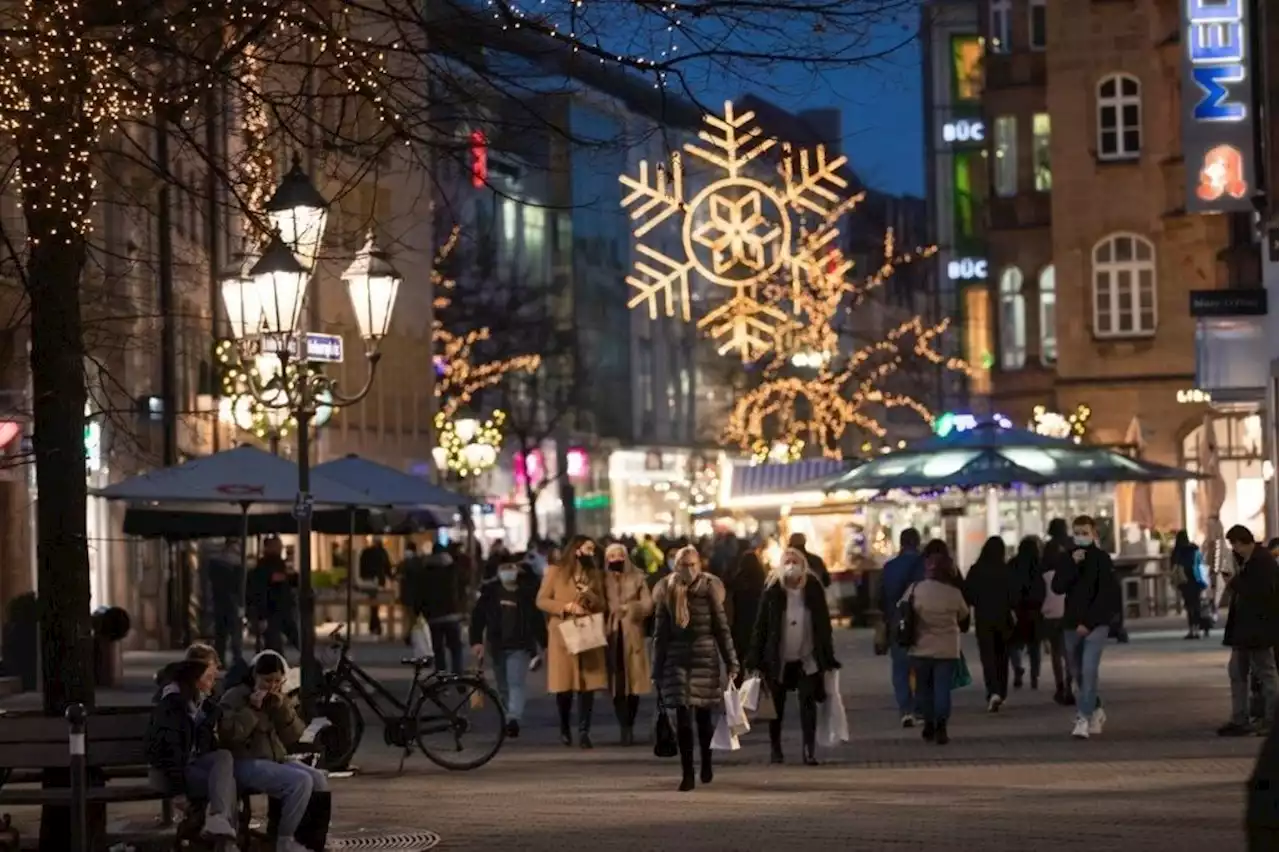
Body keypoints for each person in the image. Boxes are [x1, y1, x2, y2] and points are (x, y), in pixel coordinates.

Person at [219, 651, 327, 852]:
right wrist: (252, 709)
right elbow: (230, 735)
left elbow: (294, 736)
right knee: (300, 782)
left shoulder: (277, 697)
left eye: (278, 681)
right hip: (245, 761)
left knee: (318, 779)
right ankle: (284, 839)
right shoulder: (235, 696)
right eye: (267, 680)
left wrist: (283, 710)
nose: (273, 686)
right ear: (255, 676)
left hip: (275, 757)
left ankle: (312, 842)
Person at [653, 546, 738, 791]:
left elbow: (722, 629)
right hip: (676, 661)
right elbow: (660, 634)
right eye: (683, 565)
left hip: (704, 659)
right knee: (682, 717)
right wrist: (656, 669)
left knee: (703, 718)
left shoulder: (708, 591)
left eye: (692, 564)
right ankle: (687, 772)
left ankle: (707, 762)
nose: (688, 570)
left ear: (699, 566)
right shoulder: (667, 593)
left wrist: (731, 661)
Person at [745, 547, 839, 765]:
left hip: (807, 658)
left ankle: (809, 750)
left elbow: (824, 626)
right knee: (776, 706)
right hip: (779, 658)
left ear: (803, 565)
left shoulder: (813, 589)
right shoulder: (772, 591)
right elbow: (762, 626)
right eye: (787, 561)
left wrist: (828, 657)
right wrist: (754, 658)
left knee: (808, 703)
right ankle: (775, 747)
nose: (791, 566)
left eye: (795, 561)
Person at [147, 653, 240, 850]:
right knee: (226, 785)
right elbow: (169, 753)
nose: (212, 683)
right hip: (168, 773)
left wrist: (209, 718)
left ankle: (217, 823)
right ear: (194, 682)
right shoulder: (172, 707)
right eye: (208, 678)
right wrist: (178, 791)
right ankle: (224, 841)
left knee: (224, 760)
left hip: (191, 766)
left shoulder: (200, 706)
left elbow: (205, 748)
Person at [1052, 515, 1122, 740]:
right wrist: (1073, 565)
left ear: (1094, 533)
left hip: (1096, 624)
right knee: (1077, 673)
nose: (1081, 536)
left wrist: (1089, 623)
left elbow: (1106, 595)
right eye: (1077, 532)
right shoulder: (1067, 558)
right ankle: (1096, 708)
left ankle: (1083, 718)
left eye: (1085, 532)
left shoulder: (1102, 559)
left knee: (1089, 670)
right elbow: (1058, 587)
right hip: (1071, 624)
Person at [536, 535, 608, 748]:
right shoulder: (555, 572)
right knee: (564, 686)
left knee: (587, 686)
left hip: (586, 631)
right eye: (588, 548)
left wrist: (590, 596)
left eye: (593, 549)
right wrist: (565, 607)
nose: (591, 553)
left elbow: (602, 604)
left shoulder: (594, 574)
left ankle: (584, 731)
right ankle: (565, 728)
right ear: (576, 549)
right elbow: (541, 600)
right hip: (562, 634)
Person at [470, 555, 545, 739]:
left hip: (520, 645)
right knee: (502, 685)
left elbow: (536, 619)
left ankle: (513, 718)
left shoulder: (526, 592)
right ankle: (507, 716)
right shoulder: (490, 592)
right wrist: (476, 641)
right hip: (497, 645)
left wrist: (544, 643)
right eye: (504, 568)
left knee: (515, 683)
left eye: (510, 567)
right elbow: (478, 617)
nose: (507, 571)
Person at [903, 540, 970, 745]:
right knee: (942, 689)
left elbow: (904, 610)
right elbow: (964, 616)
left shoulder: (916, 589)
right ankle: (942, 726)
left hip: (920, 646)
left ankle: (928, 724)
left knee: (923, 689)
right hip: (947, 649)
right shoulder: (954, 593)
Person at [1219, 525, 1280, 736]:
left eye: (1235, 544)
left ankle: (1271, 720)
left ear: (1241, 542)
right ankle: (1240, 718)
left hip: (1258, 629)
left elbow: (1258, 594)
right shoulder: (1249, 560)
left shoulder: (1262, 561)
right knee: (1237, 672)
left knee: (1266, 673)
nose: (1235, 549)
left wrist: (1233, 582)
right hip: (1244, 630)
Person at [602, 543, 654, 745]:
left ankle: (629, 723)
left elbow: (648, 604)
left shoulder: (638, 578)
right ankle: (623, 724)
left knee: (632, 684)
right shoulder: (602, 579)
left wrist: (631, 608)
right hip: (611, 634)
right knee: (617, 684)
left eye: (619, 555)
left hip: (632, 634)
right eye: (611, 555)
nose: (616, 559)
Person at [965, 536, 1015, 712]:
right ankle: (1002, 692)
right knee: (1002, 656)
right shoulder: (1006, 570)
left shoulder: (976, 570)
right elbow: (1014, 595)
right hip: (1003, 618)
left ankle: (992, 691)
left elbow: (968, 595)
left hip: (983, 618)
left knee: (988, 657)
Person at [881, 528, 925, 726]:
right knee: (922, 665)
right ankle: (920, 707)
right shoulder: (924, 565)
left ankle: (905, 709)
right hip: (922, 620)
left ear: (901, 543)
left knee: (900, 667)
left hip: (897, 620)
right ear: (917, 542)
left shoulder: (890, 567)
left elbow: (881, 597)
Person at [420, 543, 468, 675]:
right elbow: (461, 589)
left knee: (438, 648)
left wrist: (423, 612)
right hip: (452, 614)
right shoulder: (453, 569)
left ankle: (441, 677)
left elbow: (421, 594)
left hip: (433, 617)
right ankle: (458, 676)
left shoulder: (425, 571)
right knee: (456, 647)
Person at [246, 536, 297, 654]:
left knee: (291, 637)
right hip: (271, 609)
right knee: (274, 643)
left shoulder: (279, 564)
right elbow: (261, 588)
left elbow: (289, 581)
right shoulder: (264, 567)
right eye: (277, 546)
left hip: (281, 608)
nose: (279, 549)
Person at [723, 538, 769, 669]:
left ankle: (739, 685)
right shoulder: (763, 583)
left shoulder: (737, 582)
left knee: (739, 659)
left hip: (739, 625)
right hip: (758, 625)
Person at [1007, 535, 1046, 690]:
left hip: (1017, 610)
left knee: (1014, 644)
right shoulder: (1040, 565)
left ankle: (1017, 667)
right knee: (1035, 647)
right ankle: (1034, 677)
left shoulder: (1012, 564)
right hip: (1035, 610)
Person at [1039, 533, 1072, 706]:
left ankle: (1059, 686)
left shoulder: (1042, 576)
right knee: (1068, 653)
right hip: (1066, 615)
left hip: (1049, 616)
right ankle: (1070, 684)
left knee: (1055, 654)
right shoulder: (1066, 574)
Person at [207, 538, 245, 668]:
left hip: (223, 604)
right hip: (228, 604)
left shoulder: (217, 564)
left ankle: (225, 659)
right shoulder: (236, 566)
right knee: (230, 634)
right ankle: (233, 659)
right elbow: (239, 587)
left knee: (224, 635)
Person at [1171, 530, 1207, 640]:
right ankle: (1197, 629)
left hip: (1185, 582)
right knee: (1197, 605)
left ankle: (1191, 630)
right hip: (1196, 580)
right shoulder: (1195, 550)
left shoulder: (1178, 551)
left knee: (1190, 606)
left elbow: (1175, 567)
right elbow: (1202, 564)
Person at [357, 537, 394, 636]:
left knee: (373, 603)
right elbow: (387, 567)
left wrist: (362, 577)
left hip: (368, 580)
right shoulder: (382, 552)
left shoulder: (366, 552)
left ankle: (374, 624)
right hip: (379, 580)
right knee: (376, 603)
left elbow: (361, 566)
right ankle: (375, 624)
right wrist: (391, 577)